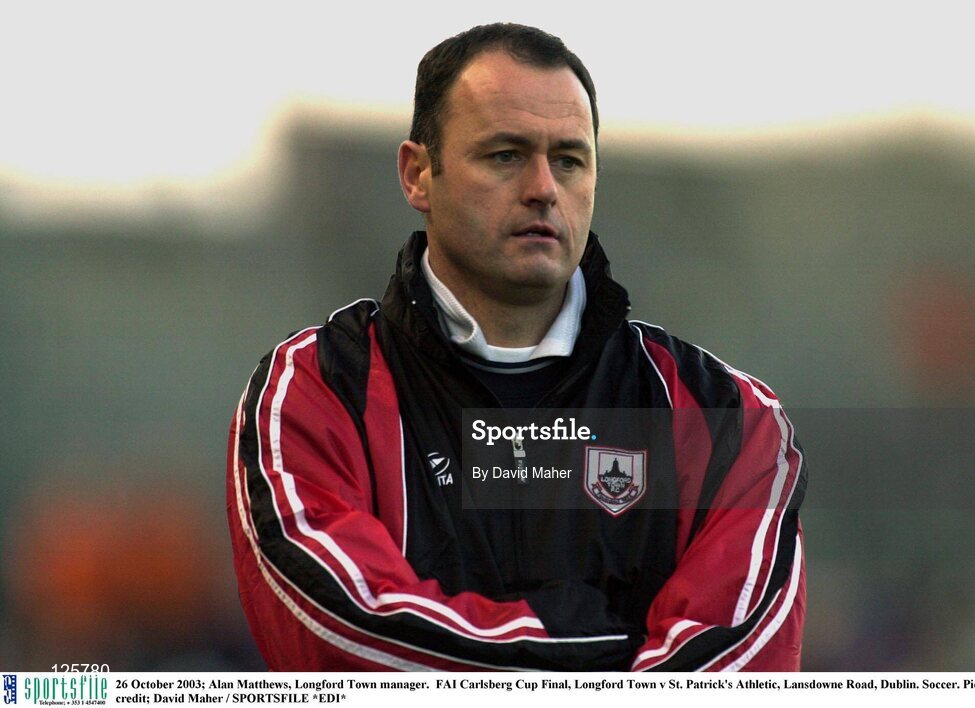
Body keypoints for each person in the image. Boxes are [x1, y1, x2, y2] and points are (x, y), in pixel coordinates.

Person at [227, 23, 806, 671]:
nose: (542, 187)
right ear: (418, 175)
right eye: (505, 155)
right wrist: (611, 648)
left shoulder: (729, 414)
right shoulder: (314, 388)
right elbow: (351, 639)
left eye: (569, 159)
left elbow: (736, 667)